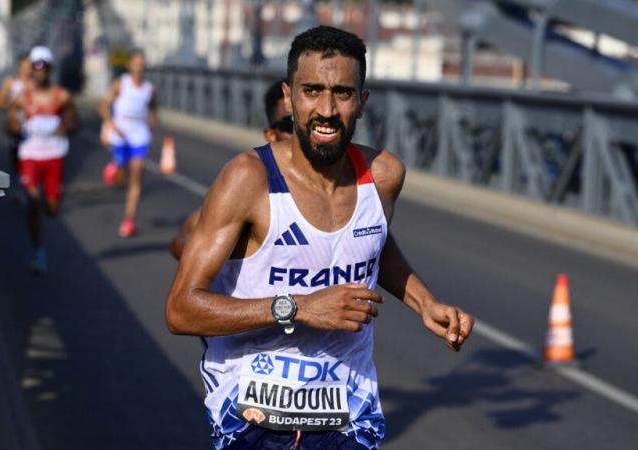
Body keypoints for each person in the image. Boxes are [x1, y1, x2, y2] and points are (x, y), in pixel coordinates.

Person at [165, 26, 474, 450]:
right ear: (289, 96)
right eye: (312, 90)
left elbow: (373, 245)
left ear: (362, 103)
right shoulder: (248, 180)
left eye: (343, 93)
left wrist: (426, 302)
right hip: (254, 420)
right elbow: (181, 309)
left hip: (348, 417)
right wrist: (299, 307)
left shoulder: (382, 176)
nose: (327, 109)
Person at [169, 79, 293, 260]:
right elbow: (180, 242)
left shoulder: (346, 181)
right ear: (271, 135)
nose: (301, 132)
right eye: (290, 124)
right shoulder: (252, 184)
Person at [9, 46, 78, 272]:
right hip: (30, 155)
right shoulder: (23, 97)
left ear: (49, 69)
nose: (38, 70)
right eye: (35, 66)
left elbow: (75, 123)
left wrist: (66, 126)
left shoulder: (62, 95)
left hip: (54, 155)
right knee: (32, 201)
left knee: (52, 209)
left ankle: (53, 199)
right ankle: (38, 252)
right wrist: (15, 125)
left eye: (43, 66)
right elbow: (10, 125)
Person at [98, 49, 158, 238]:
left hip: (139, 136)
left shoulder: (149, 88)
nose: (139, 66)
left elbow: (154, 107)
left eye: (142, 62)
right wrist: (110, 123)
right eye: (136, 62)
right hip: (120, 135)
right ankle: (115, 166)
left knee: (136, 176)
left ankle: (128, 220)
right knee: (121, 175)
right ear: (130, 65)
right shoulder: (121, 84)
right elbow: (103, 105)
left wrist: (152, 122)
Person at [0, 54, 32, 188]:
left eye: (30, 66)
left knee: (34, 159)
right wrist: (13, 102)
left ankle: (32, 186)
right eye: (25, 66)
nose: (28, 70)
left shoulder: (37, 83)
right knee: (17, 160)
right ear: (19, 67)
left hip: (34, 129)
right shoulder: (11, 82)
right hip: (17, 128)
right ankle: (18, 187)